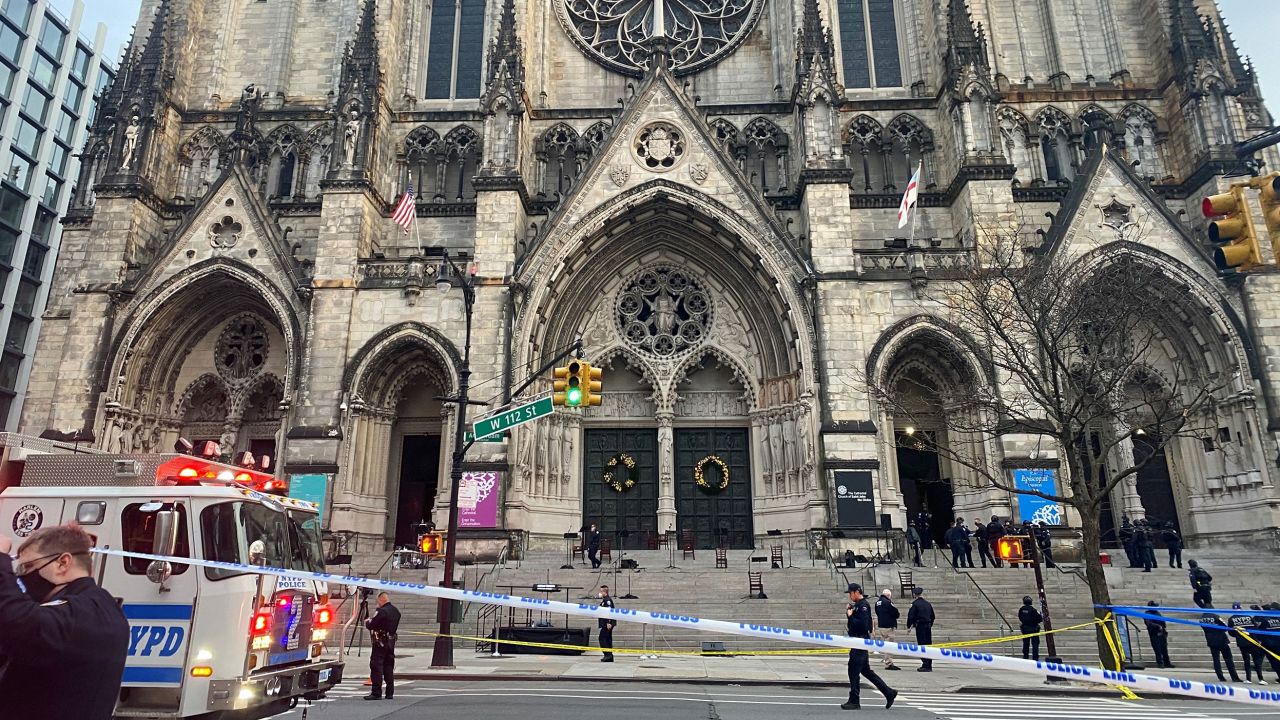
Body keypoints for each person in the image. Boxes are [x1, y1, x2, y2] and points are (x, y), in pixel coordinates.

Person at [0, 524, 129, 719]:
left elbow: (21, 624)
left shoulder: (88, 612)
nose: (23, 576)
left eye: (28, 567)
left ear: (63, 563)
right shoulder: (94, 608)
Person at [841, 583, 898, 710]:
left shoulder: (863, 606)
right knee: (866, 671)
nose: (850, 596)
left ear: (857, 592)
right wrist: (850, 613)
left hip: (860, 642)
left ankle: (854, 700)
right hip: (857, 641)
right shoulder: (858, 605)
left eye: (850, 593)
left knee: (853, 671)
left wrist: (850, 616)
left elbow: (862, 625)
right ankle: (889, 693)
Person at [364, 591, 401, 700]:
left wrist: (367, 622)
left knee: (376, 665)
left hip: (380, 642)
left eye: (378, 601)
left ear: (381, 600)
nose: (378, 604)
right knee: (388, 666)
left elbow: (371, 625)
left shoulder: (381, 611)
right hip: (391, 641)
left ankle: (376, 692)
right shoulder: (396, 611)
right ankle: (390, 692)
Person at [1201, 606, 1242, 683]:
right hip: (1221, 640)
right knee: (1228, 659)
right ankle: (1234, 677)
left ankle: (1221, 677)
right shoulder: (1215, 616)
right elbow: (1225, 626)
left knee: (1216, 660)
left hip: (1211, 641)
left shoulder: (1202, 619)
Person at [1229, 603, 1267, 685]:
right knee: (1257, 661)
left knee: (1246, 661)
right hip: (1253, 641)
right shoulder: (1248, 617)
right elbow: (1256, 628)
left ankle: (1248, 679)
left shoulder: (1231, 619)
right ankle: (1261, 679)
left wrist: (1238, 635)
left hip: (1242, 643)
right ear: (1241, 608)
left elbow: (1231, 632)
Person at [906, 586, 935, 672]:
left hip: (920, 626)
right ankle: (929, 664)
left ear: (914, 595)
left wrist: (909, 626)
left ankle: (925, 664)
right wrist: (930, 624)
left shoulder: (914, 604)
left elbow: (911, 616)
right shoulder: (928, 604)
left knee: (922, 645)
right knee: (928, 645)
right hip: (928, 626)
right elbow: (933, 616)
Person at [874, 589, 902, 671]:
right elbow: (895, 612)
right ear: (888, 595)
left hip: (881, 625)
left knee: (886, 645)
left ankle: (888, 661)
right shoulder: (887, 602)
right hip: (888, 626)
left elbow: (877, 613)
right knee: (889, 645)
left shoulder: (877, 603)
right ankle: (888, 663)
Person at [1143, 600, 1172, 668]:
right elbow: (1148, 623)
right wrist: (1158, 626)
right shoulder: (1147, 614)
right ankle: (1160, 663)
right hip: (1154, 633)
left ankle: (1167, 663)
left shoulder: (1157, 613)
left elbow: (1162, 621)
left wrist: (1163, 627)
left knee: (1164, 649)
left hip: (1162, 633)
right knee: (1157, 649)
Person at [1256, 603, 1280, 683]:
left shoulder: (1265, 619)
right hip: (1277, 642)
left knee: (1274, 662)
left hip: (1269, 644)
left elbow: (1259, 630)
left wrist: (1260, 640)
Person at [1018, 596, 1043, 660]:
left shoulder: (1021, 609)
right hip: (1034, 629)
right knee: (1035, 644)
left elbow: (1020, 617)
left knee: (1026, 644)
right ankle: (1035, 658)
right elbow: (1040, 618)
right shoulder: (1033, 610)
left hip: (1025, 628)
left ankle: (1025, 656)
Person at [598, 584, 615, 662]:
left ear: (605, 592)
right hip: (605, 623)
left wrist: (608, 622)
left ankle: (608, 655)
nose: (600, 593)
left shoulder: (607, 600)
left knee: (602, 638)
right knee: (607, 639)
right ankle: (609, 656)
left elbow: (609, 611)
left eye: (601, 591)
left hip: (607, 623)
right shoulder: (605, 600)